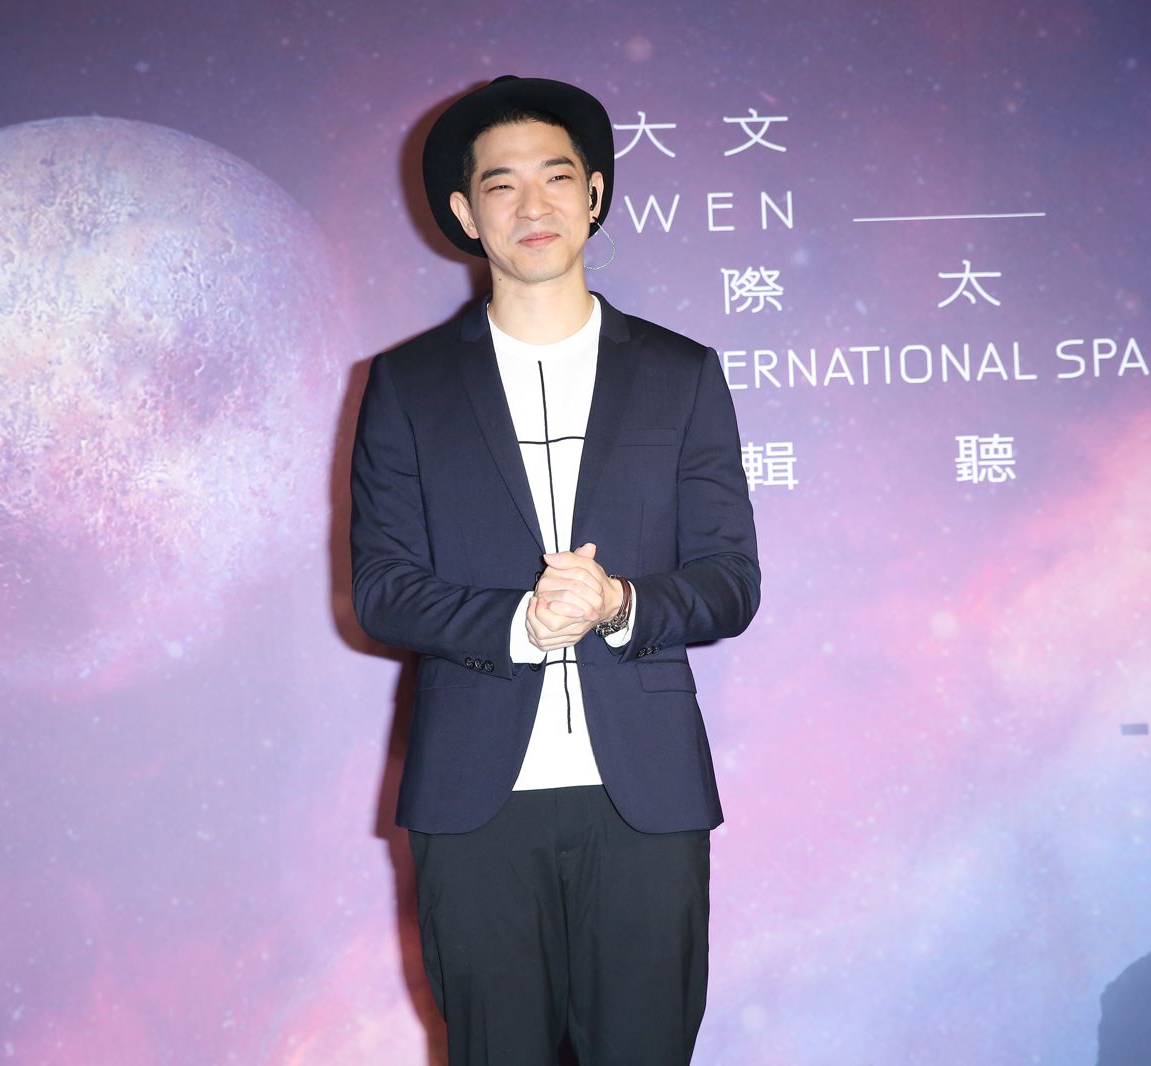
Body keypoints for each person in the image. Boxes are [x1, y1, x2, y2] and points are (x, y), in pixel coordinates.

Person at [348, 75, 761, 1065]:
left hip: (644, 795)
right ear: (464, 212)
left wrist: (620, 602)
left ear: (595, 194)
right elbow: (383, 587)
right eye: (500, 184)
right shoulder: (406, 385)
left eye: (556, 177)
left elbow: (730, 578)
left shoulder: (679, 373)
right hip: (475, 798)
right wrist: (520, 625)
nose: (531, 205)